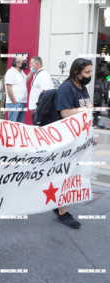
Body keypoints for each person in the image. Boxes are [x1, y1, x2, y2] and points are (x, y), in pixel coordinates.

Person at [55, 58, 93, 229]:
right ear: (76, 73)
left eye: (91, 72)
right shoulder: (66, 88)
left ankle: (57, 204)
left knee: (71, 173)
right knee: (64, 175)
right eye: (87, 72)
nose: (90, 75)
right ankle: (62, 212)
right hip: (65, 140)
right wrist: (83, 109)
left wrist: (90, 135)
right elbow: (64, 113)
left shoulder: (82, 88)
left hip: (78, 140)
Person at [4, 56, 33, 123]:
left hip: (22, 102)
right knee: (13, 124)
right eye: (23, 61)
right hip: (14, 103)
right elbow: (8, 88)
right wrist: (14, 101)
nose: (24, 63)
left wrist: (32, 71)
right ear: (17, 63)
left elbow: (27, 79)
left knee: (20, 125)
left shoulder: (21, 72)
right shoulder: (11, 72)